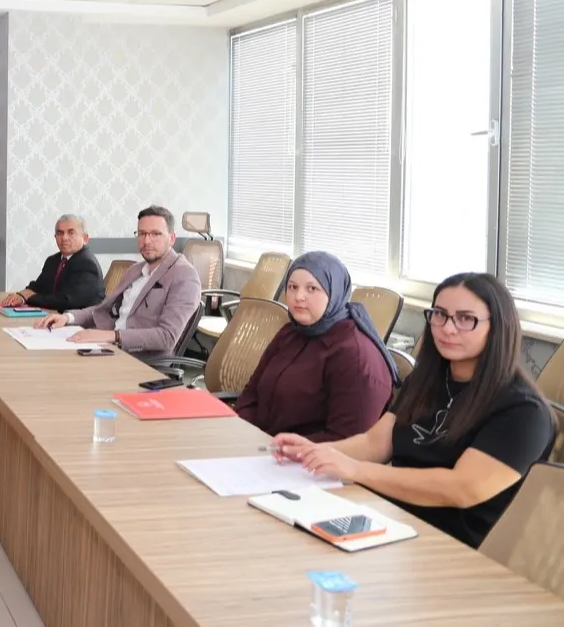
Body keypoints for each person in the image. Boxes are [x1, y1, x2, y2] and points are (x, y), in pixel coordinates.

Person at [273, 272, 556, 549]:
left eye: (465, 319)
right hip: (390, 522)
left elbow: (462, 489)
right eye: (440, 315)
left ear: (498, 327)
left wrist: (357, 471)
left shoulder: (523, 411)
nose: (448, 328)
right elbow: (375, 443)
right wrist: (314, 452)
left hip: (453, 547)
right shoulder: (426, 380)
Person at [235, 252, 396, 442]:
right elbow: (251, 394)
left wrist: (273, 448)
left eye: (312, 289)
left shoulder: (357, 357)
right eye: (292, 287)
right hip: (259, 445)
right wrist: (242, 433)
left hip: (304, 456)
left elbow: (346, 442)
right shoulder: (291, 332)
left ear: (334, 292)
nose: (298, 297)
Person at [34, 206, 200, 358]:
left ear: (171, 238)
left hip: (139, 360)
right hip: (109, 348)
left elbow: (167, 336)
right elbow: (103, 309)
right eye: (142, 234)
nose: (147, 241)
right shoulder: (135, 270)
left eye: (155, 234)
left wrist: (112, 336)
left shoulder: (184, 275)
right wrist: (67, 317)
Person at [1, 214, 104, 312]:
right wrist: (20, 295)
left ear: (85, 238)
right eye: (60, 233)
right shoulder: (53, 260)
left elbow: (68, 301)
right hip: (52, 314)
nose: (64, 238)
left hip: (79, 321)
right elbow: (38, 286)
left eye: (71, 233)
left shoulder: (87, 264)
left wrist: (29, 297)